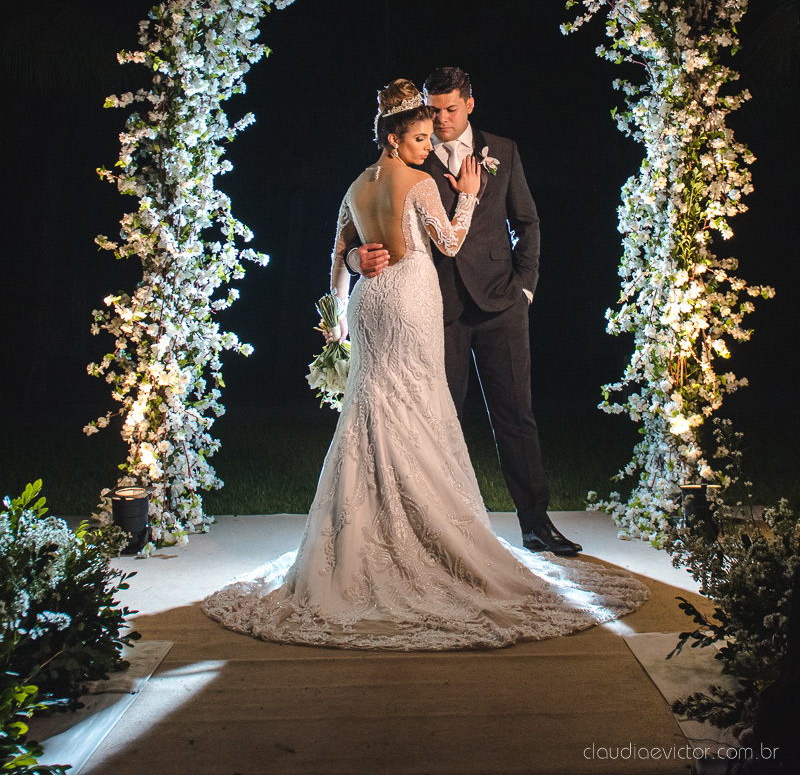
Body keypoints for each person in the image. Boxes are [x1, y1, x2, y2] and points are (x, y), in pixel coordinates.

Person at [203, 80, 648, 650]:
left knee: (377, 411)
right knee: (422, 408)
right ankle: (424, 534)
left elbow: (336, 254)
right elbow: (449, 242)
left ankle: (383, 532)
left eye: (435, 126)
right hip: (414, 301)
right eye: (419, 135)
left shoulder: (358, 183)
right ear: (395, 137)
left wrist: (338, 313)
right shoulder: (418, 179)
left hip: (375, 306)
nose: (429, 140)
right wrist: (466, 195)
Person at [352, 67, 579, 557]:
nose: (440, 119)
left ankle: (536, 524)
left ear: (470, 104)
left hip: (501, 302)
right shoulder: (409, 152)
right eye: (433, 110)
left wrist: (525, 288)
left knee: (516, 417)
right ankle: (443, 533)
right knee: (440, 420)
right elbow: (362, 227)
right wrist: (356, 259)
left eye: (450, 109)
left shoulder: (504, 151)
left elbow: (527, 222)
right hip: (437, 309)